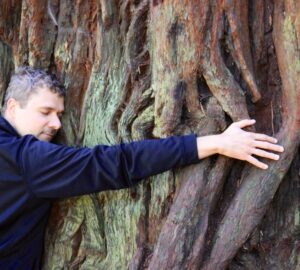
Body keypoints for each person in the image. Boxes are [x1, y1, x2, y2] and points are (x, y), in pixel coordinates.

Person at [0, 67, 284, 269]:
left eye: (60, 114)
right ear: (12, 107)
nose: (57, 125)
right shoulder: (26, 159)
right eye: (45, 112)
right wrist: (215, 143)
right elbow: (114, 162)